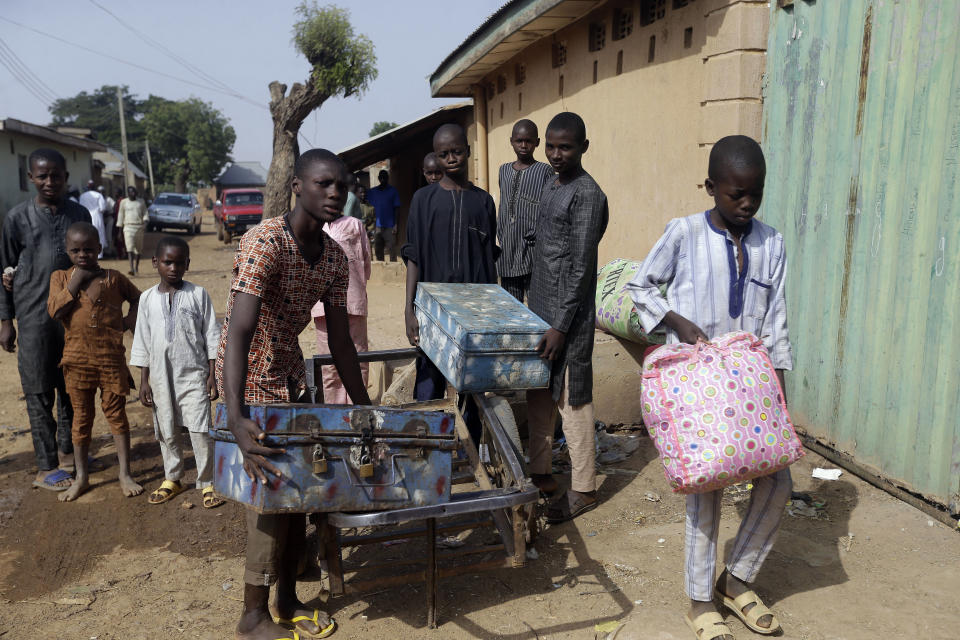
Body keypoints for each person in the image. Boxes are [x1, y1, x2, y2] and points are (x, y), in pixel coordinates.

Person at [626, 135, 791, 640]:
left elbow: (777, 322)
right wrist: (678, 319)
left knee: (778, 481)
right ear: (711, 187)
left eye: (754, 195)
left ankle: (736, 580)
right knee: (707, 490)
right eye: (734, 194)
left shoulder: (772, 243)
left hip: (750, 384)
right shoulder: (683, 234)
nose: (745, 204)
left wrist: (780, 398)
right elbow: (640, 286)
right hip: (697, 385)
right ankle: (700, 602)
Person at [217, 148, 371, 640]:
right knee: (270, 492)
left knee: (301, 488)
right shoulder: (264, 243)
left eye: (340, 186)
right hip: (249, 379)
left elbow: (341, 340)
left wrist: (364, 404)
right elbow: (239, 332)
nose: (334, 193)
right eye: (323, 184)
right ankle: (252, 616)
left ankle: (285, 598)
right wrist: (238, 418)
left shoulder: (332, 257)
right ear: (298, 187)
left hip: (289, 375)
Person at [525, 112, 608, 524]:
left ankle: (585, 488)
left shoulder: (588, 194)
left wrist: (560, 325)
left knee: (572, 398)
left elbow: (581, 267)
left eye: (566, 147)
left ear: (583, 148)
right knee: (538, 391)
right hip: (540, 306)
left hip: (568, 319)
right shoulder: (550, 182)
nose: (556, 155)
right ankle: (540, 471)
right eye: (551, 147)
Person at [0, 149, 91, 492]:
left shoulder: (79, 214)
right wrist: (6, 320)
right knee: (38, 389)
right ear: (31, 179)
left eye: (56, 175)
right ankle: (46, 464)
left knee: (71, 385)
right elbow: (4, 269)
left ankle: (69, 452)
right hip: (34, 316)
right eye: (43, 176)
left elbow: (92, 262)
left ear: (67, 176)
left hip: (73, 317)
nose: (50, 182)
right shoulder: (17, 218)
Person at [402, 124, 498, 442]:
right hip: (432, 308)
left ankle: (468, 450)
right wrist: (409, 309)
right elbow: (413, 256)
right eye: (444, 154)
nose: (451, 159)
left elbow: (488, 262)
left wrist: (493, 312)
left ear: (468, 150)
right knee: (429, 379)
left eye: (456, 151)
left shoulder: (482, 202)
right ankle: (425, 448)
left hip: (473, 311)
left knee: (471, 382)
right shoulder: (422, 200)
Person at [47, 221, 142, 502]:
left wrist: (126, 323)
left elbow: (138, 299)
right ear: (67, 251)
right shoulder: (61, 278)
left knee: (116, 415)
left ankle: (125, 473)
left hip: (111, 360)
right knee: (81, 418)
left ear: (99, 248)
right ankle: (82, 477)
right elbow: (54, 310)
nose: (83, 255)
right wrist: (76, 281)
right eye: (75, 250)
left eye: (89, 249)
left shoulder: (113, 278)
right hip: (76, 363)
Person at [130, 236, 224, 508]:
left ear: (187, 264)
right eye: (167, 262)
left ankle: (207, 482)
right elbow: (143, 341)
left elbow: (211, 335)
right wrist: (144, 381)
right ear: (155, 262)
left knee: (199, 429)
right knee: (167, 428)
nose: (173, 268)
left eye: (179, 263)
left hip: (193, 375)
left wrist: (212, 374)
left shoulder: (198, 294)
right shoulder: (147, 299)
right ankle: (173, 477)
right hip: (160, 377)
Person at [311, 192, 372, 404]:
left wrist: (358, 287)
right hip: (321, 305)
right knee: (329, 364)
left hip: (353, 300)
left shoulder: (355, 225)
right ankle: (335, 411)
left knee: (359, 358)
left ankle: (359, 410)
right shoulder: (313, 227)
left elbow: (365, 262)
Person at [497, 119, 554, 302]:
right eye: (519, 140)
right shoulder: (504, 170)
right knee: (511, 307)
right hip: (507, 250)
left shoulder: (545, 171)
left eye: (528, 141)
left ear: (537, 142)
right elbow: (504, 205)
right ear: (511, 141)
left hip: (533, 250)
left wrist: (539, 230)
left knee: (537, 306)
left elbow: (549, 207)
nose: (523, 145)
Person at [367, 169, 401, 261]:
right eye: (381, 178)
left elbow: (397, 208)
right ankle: (381, 267)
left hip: (390, 225)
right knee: (378, 249)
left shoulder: (393, 191)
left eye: (385, 178)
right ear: (378, 178)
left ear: (388, 178)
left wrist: (396, 225)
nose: (383, 180)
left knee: (392, 249)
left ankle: (393, 269)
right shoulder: (372, 192)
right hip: (377, 226)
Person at [117, 186, 148, 275]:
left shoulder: (141, 202)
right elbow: (120, 216)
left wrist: (145, 222)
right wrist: (119, 231)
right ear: (128, 193)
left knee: (138, 250)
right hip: (128, 227)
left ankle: (136, 267)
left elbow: (145, 213)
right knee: (129, 248)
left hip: (139, 227)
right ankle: (131, 269)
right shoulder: (123, 202)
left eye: (134, 192)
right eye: (131, 192)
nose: (133, 193)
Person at [78, 180, 109, 258]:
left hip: (86, 216)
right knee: (99, 234)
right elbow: (102, 208)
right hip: (97, 216)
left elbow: (81, 207)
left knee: (87, 235)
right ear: (94, 187)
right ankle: (100, 255)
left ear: (87, 187)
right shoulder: (98, 195)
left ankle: (88, 253)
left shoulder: (82, 196)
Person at [100, 186, 116, 258]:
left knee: (108, 235)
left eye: (102, 191)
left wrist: (108, 213)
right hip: (101, 220)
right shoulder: (98, 199)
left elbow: (115, 208)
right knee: (103, 236)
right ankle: (104, 252)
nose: (101, 193)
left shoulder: (109, 199)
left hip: (109, 219)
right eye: (100, 191)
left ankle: (110, 252)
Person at [112, 188, 128, 260]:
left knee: (121, 239)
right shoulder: (118, 201)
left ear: (119, 193)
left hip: (120, 223)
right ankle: (123, 254)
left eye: (116, 192)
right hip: (117, 222)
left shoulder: (121, 201)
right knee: (119, 239)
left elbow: (119, 213)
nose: (115, 194)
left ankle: (121, 255)